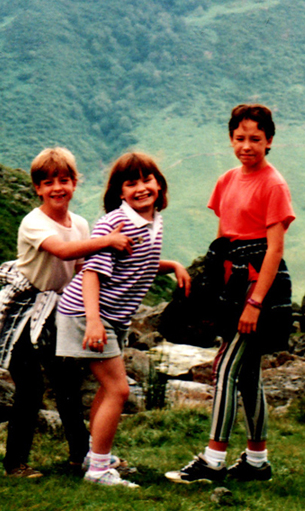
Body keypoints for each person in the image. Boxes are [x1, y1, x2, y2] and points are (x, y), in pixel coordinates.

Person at [0, 147, 134, 479]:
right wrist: (107, 240)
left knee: (67, 384)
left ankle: (81, 455)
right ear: (37, 188)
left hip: (59, 307)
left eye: (64, 180)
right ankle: (15, 463)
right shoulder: (33, 222)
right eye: (48, 182)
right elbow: (62, 250)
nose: (57, 188)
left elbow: (80, 266)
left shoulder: (79, 224)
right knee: (30, 386)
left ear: (75, 183)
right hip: (22, 310)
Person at [165, 104, 294, 484]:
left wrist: (254, 303)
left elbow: (274, 249)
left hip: (260, 288)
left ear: (269, 141)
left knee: (225, 368)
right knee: (248, 373)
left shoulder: (274, 185)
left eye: (256, 139)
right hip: (232, 284)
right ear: (230, 139)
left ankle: (213, 460)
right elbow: (225, 239)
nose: (247, 146)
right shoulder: (226, 181)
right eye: (240, 138)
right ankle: (257, 463)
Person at [56, 152, 190, 488]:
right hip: (87, 314)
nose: (141, 188)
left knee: (108, 388)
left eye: (147, 180)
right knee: (119, 389)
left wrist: (172, 265)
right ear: (120, 192)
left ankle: (93, 455)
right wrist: (94, 321)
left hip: (114, 316)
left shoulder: (154, 219)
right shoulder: (113, 225)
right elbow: (90, 274)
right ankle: (99, 471)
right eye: (131, 183)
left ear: (159, 184)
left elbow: (140, 261)